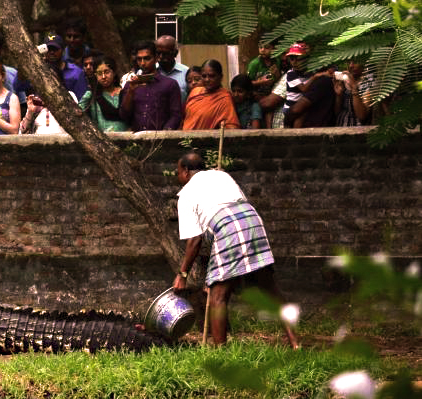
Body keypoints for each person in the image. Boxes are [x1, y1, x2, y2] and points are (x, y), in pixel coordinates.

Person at [172, 153, 299, 349]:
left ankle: (221, 353)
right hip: (252, 220)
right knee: (271, 289)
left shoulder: (186, 194)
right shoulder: (222, 175)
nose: (177, 176)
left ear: (186, 171)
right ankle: (295, 342)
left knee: (217, 297)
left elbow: (195, 240)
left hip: (228, 226)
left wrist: (182, 274)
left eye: (178, 171)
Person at [118, 40, 182, 131]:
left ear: (156, 58)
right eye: (139, 59)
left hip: (162, 139)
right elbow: (124, 115)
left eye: (147, 58)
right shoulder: (130, 85)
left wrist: (164, 135)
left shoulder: (170, 84)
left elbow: (176, 115)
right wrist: (131, 91)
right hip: (137, 139)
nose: (143, 63)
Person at [182, 59, 240, 130]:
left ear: (220, 77)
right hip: (184, 139)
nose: (207, 79)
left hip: (204, 140)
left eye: (211, 76)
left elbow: (231, 128)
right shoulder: (195, 92)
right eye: (204, 76)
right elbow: (184, 119)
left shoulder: (224, 99)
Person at [78, 56, 127, 132]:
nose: (103, 77)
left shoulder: (124, 93)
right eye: (99, 73)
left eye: (107, 72)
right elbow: (78, 111)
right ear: (95, 75)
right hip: (102, 140)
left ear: (114, 73)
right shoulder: (91, 94)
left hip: (126, 138)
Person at [43, 34, 88, 100]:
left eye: (55, 49)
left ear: (63, 50)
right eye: (48, 49)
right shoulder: (40, 71)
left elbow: (82, 99)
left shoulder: (76, 72)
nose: (52, 52)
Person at [334, 61, 371, 126]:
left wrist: (354, 88)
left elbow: (362, 116)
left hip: (357, 130)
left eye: (355, 62)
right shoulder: (345, 83)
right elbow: (337, 112)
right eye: (349, 62)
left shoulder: (368, 83)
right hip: (340, 125)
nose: (351, 66)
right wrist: (339, 96)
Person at [155, 35, 190, 104]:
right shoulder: (148, 72)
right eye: (158, 53)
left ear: (175, 53)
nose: (161, 57)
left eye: (165, 53)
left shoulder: (186, 73)